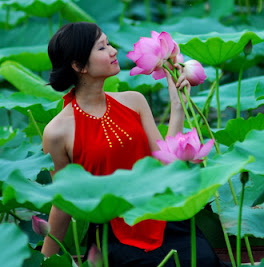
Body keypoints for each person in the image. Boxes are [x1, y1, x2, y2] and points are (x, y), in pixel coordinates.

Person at [41, 22, 228, 266]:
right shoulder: (57, 131)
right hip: (115, 233)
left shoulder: (134, 101)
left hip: (163, 216)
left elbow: (165, 165)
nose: (113, 50)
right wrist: (44, 259)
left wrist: (177, 106)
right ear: (79, 66)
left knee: (201, 259)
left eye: (109, 43)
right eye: (102, 47)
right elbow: (63, 202)